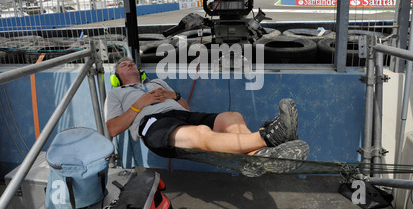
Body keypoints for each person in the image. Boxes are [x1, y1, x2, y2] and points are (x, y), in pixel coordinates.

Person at [104, 57, 308, 176]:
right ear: (116, 76)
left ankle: (255, 159)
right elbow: (113, 128)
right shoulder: (116, 94)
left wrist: (173, 95)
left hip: (182, 115)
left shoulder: (157, 82)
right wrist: (139, 105)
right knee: (201, 133)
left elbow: (185, 106)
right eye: (123, 65)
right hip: (154, 124)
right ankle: (267, 137)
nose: (129, 64)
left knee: (231, 116)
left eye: (131, 63)